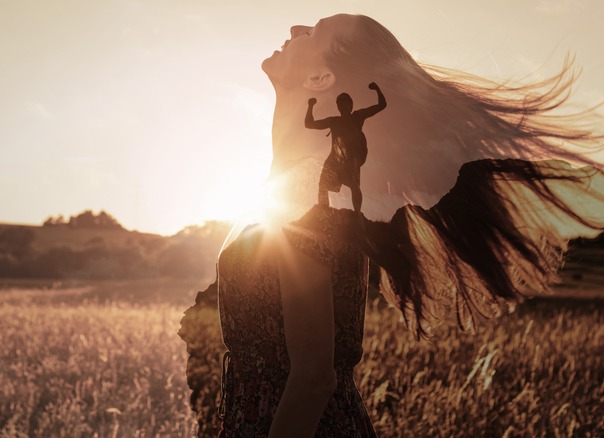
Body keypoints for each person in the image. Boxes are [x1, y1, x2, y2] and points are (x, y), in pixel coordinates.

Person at [179, 14, 603, 437]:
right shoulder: (290, 186)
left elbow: (313, 379)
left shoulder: (310, 193)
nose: (294, 30)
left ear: (321, 78)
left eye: (313, 33)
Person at [306, 83, 387, 211]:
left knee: (354, 185)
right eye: (339, 102)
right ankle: (323, 211)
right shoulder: (333, 121)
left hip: (352, 156)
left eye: (345, 102)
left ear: (350, 104)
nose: (342, 104)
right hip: (335, 158)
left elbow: (381, 105)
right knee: (323, 183)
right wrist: (310, 106)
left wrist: (377, 89)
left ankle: (357, 214)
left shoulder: (357, 116)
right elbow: (309, 124)